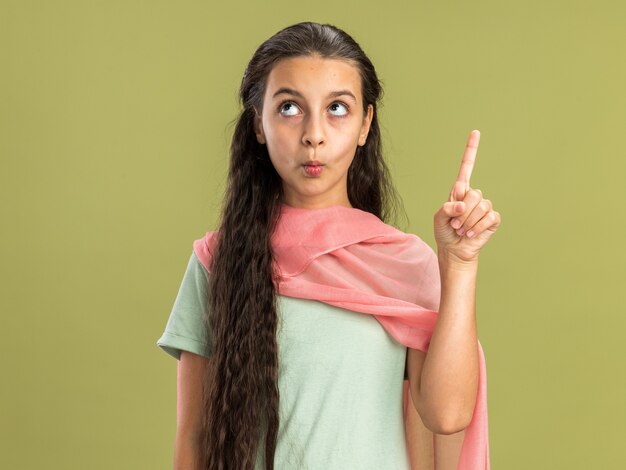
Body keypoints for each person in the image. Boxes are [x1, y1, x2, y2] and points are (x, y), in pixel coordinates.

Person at [156, 21, 500, 470]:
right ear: (258, 124)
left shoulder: (405, 265)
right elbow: (196, 442)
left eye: (337, 108)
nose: (314, 135)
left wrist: (458, 264)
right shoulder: (217, 262)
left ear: (365, 124)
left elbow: (448, 414)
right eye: (289, 108)